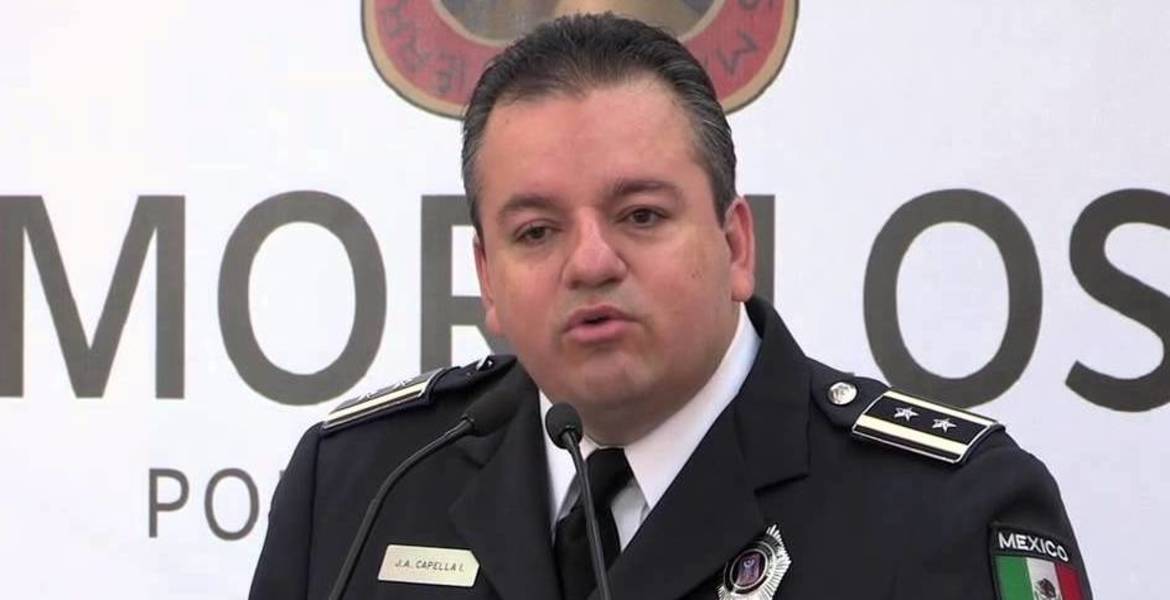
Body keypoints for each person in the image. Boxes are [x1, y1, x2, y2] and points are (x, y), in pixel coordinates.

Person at [249, 13, 1091, 600]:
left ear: (735, 244)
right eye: (537, 231)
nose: (590, 261)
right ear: (488, 279)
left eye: (641, 216)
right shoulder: (360, 485)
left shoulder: (945, 509)